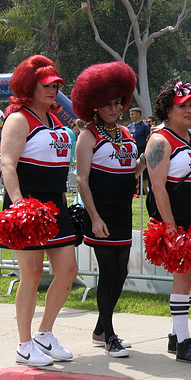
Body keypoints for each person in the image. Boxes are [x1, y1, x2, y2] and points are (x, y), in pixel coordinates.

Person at [0, 55, 79, 367]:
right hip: (28, 205)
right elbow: (7, 163)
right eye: (46, 85)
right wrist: (19, 203)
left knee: (68, 271)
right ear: (29, 87)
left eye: (56, 84)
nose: (53, 89)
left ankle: (45, 333)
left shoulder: (56, 121)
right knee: (30, 275)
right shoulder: (19, 119)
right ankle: (23, 343)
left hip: (55, 205)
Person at [72, 61, 145, 358]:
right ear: (93, 106)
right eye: (107, 104)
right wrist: (94, 217)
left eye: (118, 102)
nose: (114, 109)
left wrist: (147, 159)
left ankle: (101, 329)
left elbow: (132, 173)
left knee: (122, 273)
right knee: (108, 272)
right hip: (100, 214)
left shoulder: (126, 134)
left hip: (122, 212)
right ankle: (110, 335)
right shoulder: (87, 136)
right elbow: (81, 180)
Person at [145, 79, 191, 364]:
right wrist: (171, 227)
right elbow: (158, 187)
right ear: (168, 109)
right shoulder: (160, 141)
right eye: (182, 105)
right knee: (183, 277)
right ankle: (184, 344)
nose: (189, 110)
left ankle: (177, 336)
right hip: (178, 219)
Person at [127, 107, 150, 198]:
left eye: (133, 114)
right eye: (130, 114)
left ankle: (147, 192)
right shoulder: (130, 126)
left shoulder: (144, 126)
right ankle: (133, 192)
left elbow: (149, 138)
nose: (131, 116)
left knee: (144, 174)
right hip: (133, 151)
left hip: (142, 150)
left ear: (138, 114)